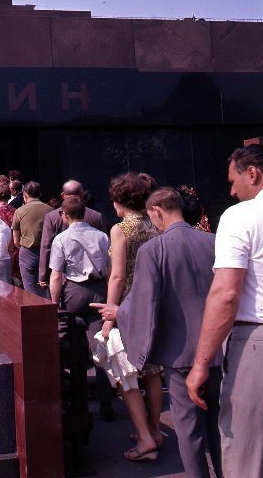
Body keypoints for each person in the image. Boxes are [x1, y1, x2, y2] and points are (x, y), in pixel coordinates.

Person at [93, 187, 222, 474]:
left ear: (157, 211)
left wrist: (117, 313)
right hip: (218, 349)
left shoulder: (155, 249)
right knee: (220, 425)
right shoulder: (214, 241)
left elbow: (144, 299)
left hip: (180, 354)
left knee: (189, 431)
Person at [186, 144, 263, 478]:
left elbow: (226, 294)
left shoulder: (241, 216)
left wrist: (201, 364)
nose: (231, 191)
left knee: (246, 451)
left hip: (255, 342)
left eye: (234, 181)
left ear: (253, 174)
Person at [102, 172, 164, 447]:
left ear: (119, 200)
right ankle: (156, 429)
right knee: (152, 371)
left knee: (125, 372)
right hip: (153, 302)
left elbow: (117, 275)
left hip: (127, 304)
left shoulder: (120, 229)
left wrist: (109, 312)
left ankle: (145, 435)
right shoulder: (155, 224)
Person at [45, 197, 115, 424]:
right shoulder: (102, 236)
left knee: (72, 347)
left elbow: (56, 275)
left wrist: (54, 303)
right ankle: (106, 403)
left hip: (74, 292)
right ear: (85, 213)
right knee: (100, 346)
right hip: (98, 290)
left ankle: (77, 397)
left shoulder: (61, 239)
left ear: (64, 216)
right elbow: (109, 269)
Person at [39, 179, 110, 292]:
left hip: (66, 281)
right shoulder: (97, 216)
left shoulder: (52, 217)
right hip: (98, 283)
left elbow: (46, 247)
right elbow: (107, 251)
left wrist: (43, 276)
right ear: (82, 195)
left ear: (62, 195)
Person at [12, 181, 53, 297]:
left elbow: (15, 240)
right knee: (48, 285)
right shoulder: (51, 210)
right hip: (49, 252)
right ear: (40, 194)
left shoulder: (19, 211)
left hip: (27, 251)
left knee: (30, 287)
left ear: (25, 195)